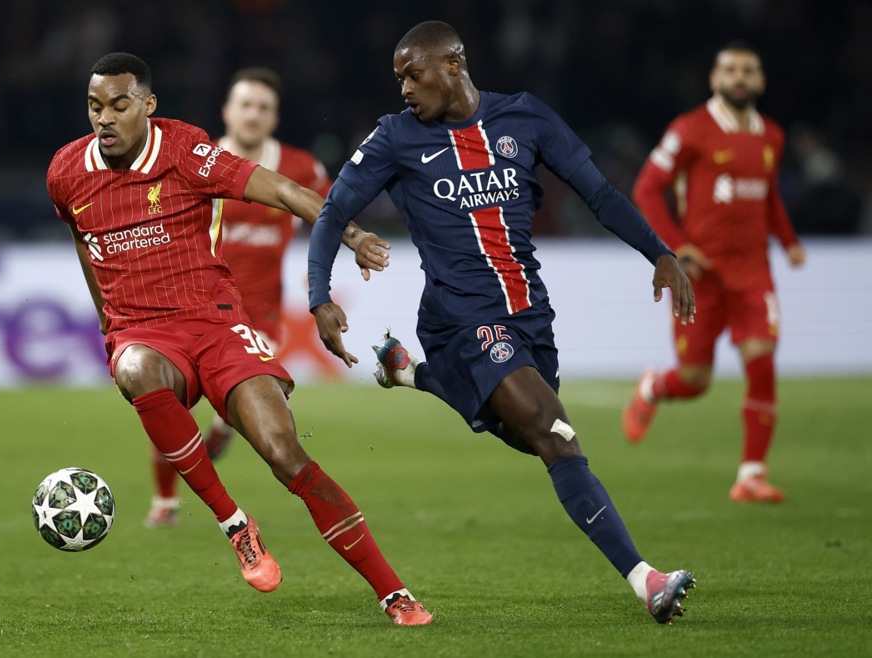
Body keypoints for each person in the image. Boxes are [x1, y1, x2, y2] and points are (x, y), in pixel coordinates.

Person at [307, 21, 697, 624]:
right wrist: (318, 297)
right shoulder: (394, 138)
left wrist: (661, 253)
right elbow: (333, 213)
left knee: (531, 438)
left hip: (529, 313)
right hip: (460, 318)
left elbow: (599, 192)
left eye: (414, 74)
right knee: (553, 430)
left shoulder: (525, 119)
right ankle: (646, 580)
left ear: (454, 63)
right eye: (398, 78)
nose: (404, 89)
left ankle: (413, 376)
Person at [46, 52, 432, 625]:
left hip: (217, 324)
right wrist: (108, 319)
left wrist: (348, 232)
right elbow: (82, 236)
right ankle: (235, 524)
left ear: (147, 107)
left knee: (285, 455)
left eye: (119, 105)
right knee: (134, 370)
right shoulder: (66, 171)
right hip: (145, 332)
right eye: (95, 106)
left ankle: (393, 592)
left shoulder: (183, 150)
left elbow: (278, 188)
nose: (104, 118)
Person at [143, 67, 333, 528]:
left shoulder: (300, 167)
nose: (253, 114)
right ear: (227, 111)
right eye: (245, 104)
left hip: (258, 317)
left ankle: (222, 432)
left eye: (263, 107)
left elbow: (327, 218)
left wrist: (320, 280)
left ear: (275, 118)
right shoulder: (195, 161)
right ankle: (165, 501)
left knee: (248, 422)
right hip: (197, 309)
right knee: (169, 406)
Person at [622, 41, 806, 503]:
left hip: (753, 274)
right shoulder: (689, 130)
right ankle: (654, 387)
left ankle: (750, 475)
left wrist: (788, 242)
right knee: (694, 380)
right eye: (729, 69)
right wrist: (676, 247)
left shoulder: (772, 137)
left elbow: (768, 198)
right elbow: (647, 188)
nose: (739, 77)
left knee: (761, 362)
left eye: (748, 70)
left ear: (760, 81)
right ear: (715, 80)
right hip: (699, 278)